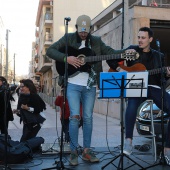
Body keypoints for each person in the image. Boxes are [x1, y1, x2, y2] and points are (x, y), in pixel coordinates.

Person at [46, 14, 128, 166]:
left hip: (90, 85)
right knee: (74, 117)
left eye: (86, 31)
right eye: (81, 30)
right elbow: (50, 51)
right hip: (72, 83)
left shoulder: (96, 41)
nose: (83, 33)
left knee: (89, 118)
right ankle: (73, 151)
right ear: (76, 28)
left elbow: (110, 51)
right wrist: (67, 58)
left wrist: (126, 52)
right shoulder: (68, 38)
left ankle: (86, 150)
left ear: (90, 29)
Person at [107, 27, 170, 165]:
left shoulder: (158, 56)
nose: (140, 40)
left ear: (150, 39)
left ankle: (167, 148)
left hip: (154, 88)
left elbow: (162, 80)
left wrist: (166, 74)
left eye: (143, 38)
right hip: (136, 86)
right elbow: (111, 60)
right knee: (132, 103)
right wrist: (119, 70)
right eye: (139, 37)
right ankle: (128, 140)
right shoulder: (132, 50)